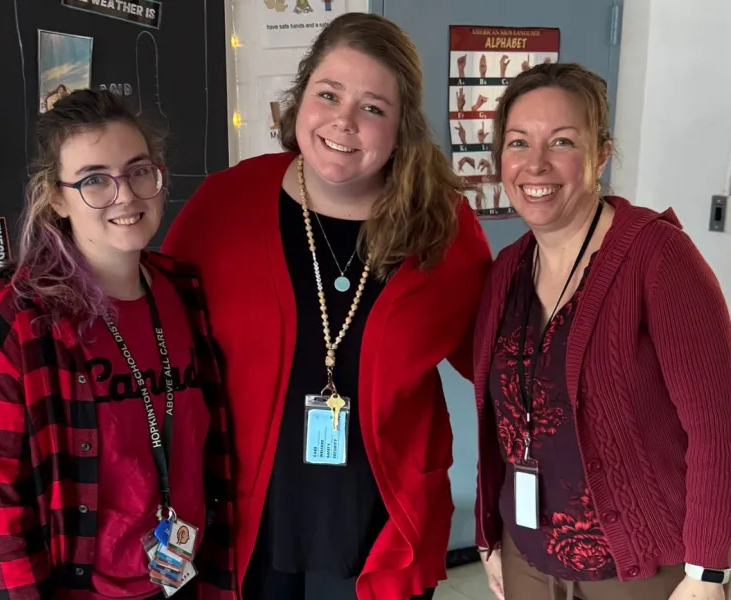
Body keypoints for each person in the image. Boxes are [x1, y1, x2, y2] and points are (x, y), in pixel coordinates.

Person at [162, 12, 492, 600]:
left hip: (382, 525)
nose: (344, 121)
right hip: (248, 521)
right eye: (329, 94)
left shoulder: (443, 225)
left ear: (402, 127)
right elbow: (156, 338)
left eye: (373, 107)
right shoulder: (225, 204)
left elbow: (502, 364)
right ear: (301, 97)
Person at [472, 62, 731, 600]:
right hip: (526, 552)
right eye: (518, 142)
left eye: (562, 141)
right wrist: (489, 537)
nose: (535, 163)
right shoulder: (508, 270)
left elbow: (716, 428)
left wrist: (707, 571)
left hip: (639, 571)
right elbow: (499, 420)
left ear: (601, 155)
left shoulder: (659, 258)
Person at [0, 89, 236, 600]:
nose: (125, 195)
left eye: (139, 171)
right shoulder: (22, 323)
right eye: (95, 180)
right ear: (57, 198)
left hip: (185, 580)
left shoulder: (185, 290)